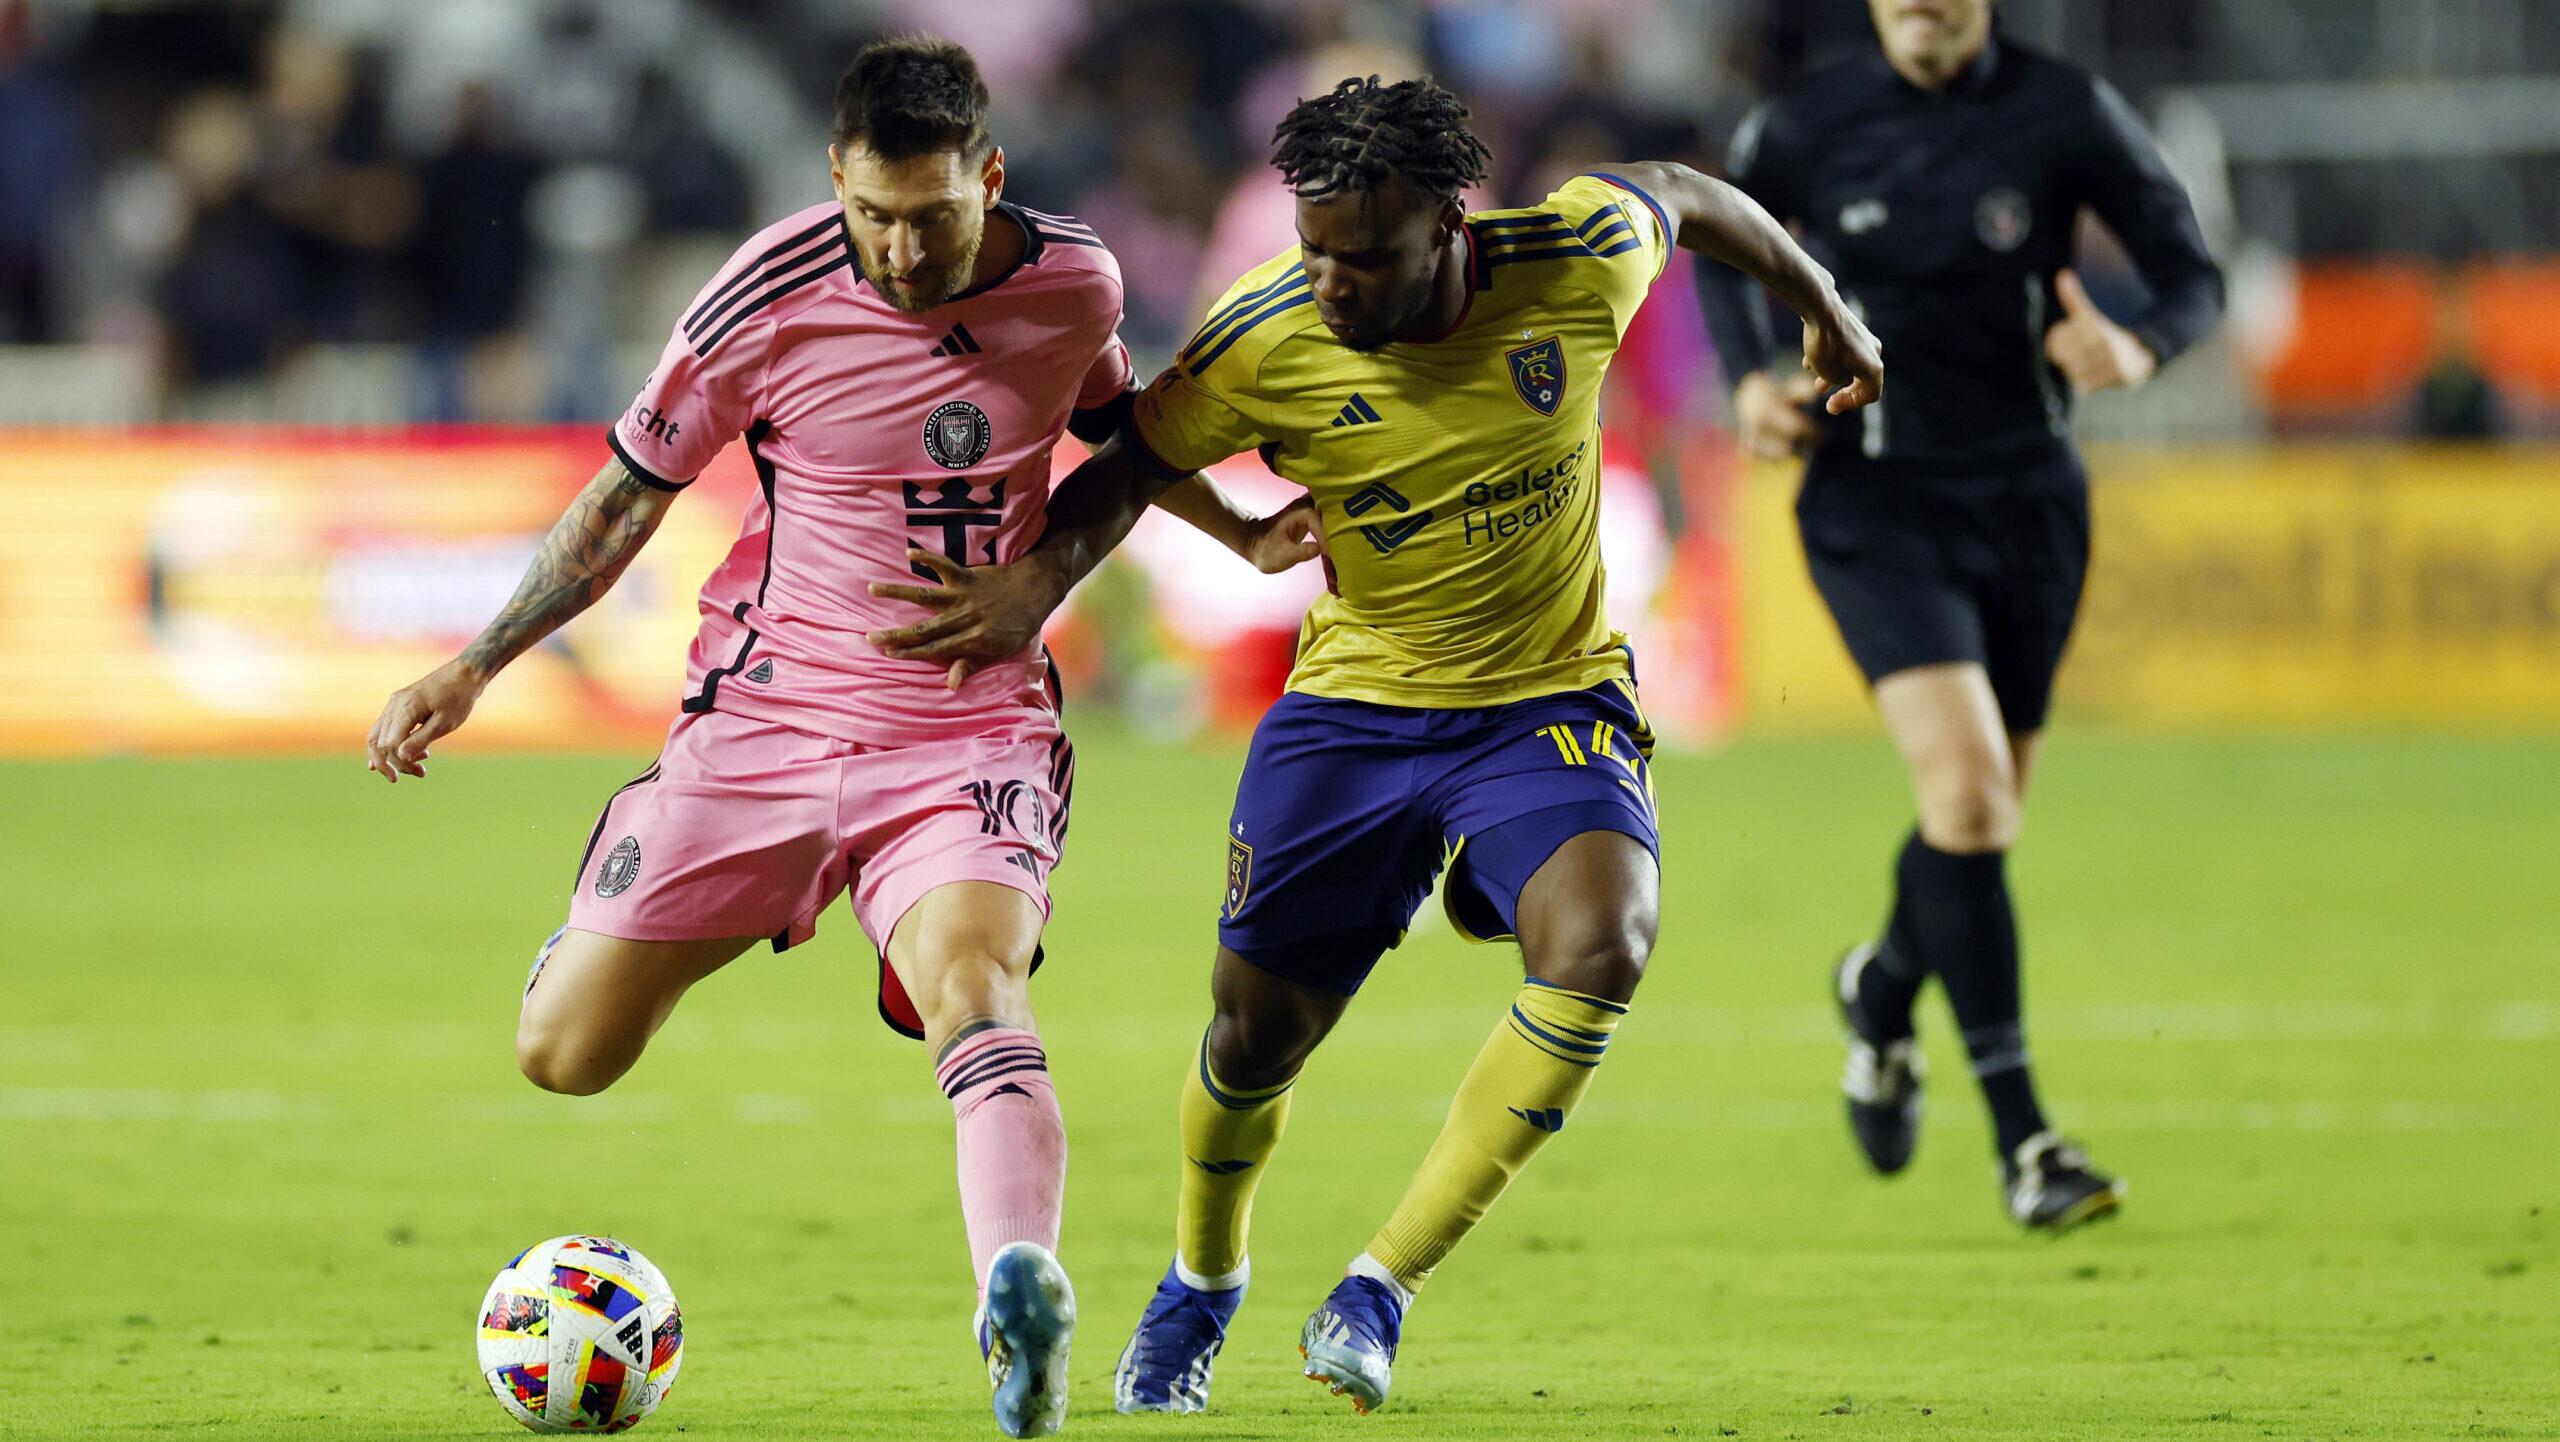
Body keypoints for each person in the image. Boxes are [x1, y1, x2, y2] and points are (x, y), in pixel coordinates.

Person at [864, 75, 1880, 1414]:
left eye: (1367, 257)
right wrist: (1042, 580)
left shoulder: (1573, 259)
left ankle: (1379, 1286)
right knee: (1250, 1039)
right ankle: (1203, 1279)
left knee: (1603, 942)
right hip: (1356, 711)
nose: (1333, 281)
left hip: (1548, 692)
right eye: (1315, 251)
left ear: (1450, 228)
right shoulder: (1266, 338)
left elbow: (1689, 196)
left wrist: (1827, 307)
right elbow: (1125, 455)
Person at [362, 37, 1309, 1439]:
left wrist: (1206, 537)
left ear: (989, 176)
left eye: (934, 216)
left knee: (975, 985)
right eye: (874, 215)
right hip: (767, 717)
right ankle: (661, 873)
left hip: (963, 729)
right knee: (562, 1054)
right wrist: (476, 662)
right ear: (835, 181)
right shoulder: (763, 292)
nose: (905, 249)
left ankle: (1018, 1293)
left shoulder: (1071, 281)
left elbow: (1118, 435)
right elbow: (628, 499)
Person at [1696, 0, 2224, 1231]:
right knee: (1973, 795)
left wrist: (2139, 349)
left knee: (1975, 818)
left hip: (2031, 502)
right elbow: (1708, 244)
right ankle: (2027, 1143)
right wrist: (1748, 380)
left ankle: (1880, 996)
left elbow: (2192, 271)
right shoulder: (1806, 122)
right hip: (1874, 499)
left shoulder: (2065, 109)